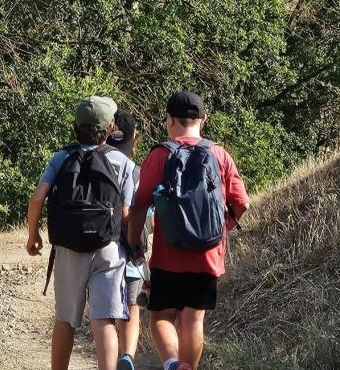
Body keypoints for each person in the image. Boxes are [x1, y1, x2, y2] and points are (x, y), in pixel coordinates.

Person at [127, 91, 250, 370]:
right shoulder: (219, 154)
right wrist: (221, 229)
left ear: (169, 120)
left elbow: (139, 206)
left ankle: (172, 364)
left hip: (168, 254)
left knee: (160, 316)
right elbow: (242, 203)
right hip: (207, 255)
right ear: (203, 120)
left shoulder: (160, 155)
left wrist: (134, 244)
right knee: (194, 320)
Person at [26, 96, 136, 370]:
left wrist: (33, 234)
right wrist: (134, 246)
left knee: (65, 318)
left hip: (68, 248)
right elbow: (125, 215)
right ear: (111, 128)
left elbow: (37, 197)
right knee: (104, 318)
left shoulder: (61, 157)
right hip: (108, 248)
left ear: (76, 126)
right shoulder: (121, 162)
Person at [105, 110, 145, 370]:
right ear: (136, 138)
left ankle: (107, 359)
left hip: (102, 247)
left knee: (105, 308)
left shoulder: (95, 161)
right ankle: (127, 355)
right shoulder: (138, 171)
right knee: (132, 303)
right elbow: (142, 217)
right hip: (130, 250)